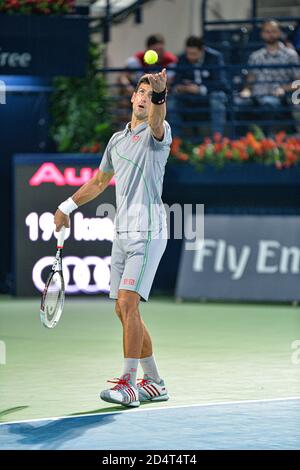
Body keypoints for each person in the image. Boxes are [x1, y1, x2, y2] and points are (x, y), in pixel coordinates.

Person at [54, 69, 172, 408]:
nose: (145, 97)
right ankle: (155, 381)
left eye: (152, 95)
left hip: (148, 231)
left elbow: (159, 120)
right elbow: (99, 182)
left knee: (128, 303)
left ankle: (128, 383)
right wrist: (67, 206)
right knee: (122, 310)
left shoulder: (158, 134)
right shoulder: (116, 141)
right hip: (121, 232)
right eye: (142, 91)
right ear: (133, 97)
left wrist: (161, 97)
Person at [237, 20, 300, 134]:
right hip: (256, 96)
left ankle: (267, 143)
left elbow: (298, 82)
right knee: (239, 104)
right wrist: (246, 91)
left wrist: (283, 88)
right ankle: (241, 144)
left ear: (279, 33)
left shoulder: (291, 54)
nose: (270, 34)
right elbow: (250, 80)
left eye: (274, 31)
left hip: (278, 97)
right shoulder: (255, 56)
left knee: (268, 104)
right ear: (262, 34)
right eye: (267, 31)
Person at [169, 35, 228, 138]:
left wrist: (200, 89)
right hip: (188, 97)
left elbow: (221, 83)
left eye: (194, 54)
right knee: (171, 101)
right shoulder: (182, 59)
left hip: (208, 97)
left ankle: (217, 141)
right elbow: (176, 83)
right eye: (188, 53)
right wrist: (180, 88)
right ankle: (176, 144)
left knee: (218, 98)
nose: (190, 57)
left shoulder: (215, 58)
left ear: (202, 51)